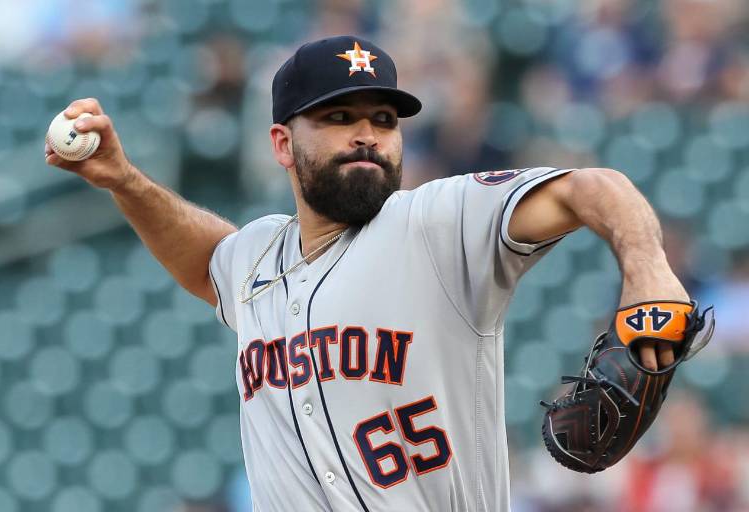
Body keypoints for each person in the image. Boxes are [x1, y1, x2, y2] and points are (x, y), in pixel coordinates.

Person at [45, 35, 690, 512]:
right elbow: (207, 259)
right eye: (338, 118)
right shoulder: (257, 259)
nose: (367, 135)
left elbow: (590, 188)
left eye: (383, 120)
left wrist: (647, 268)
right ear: (282, 144)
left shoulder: (437, 222)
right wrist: (124, 180)